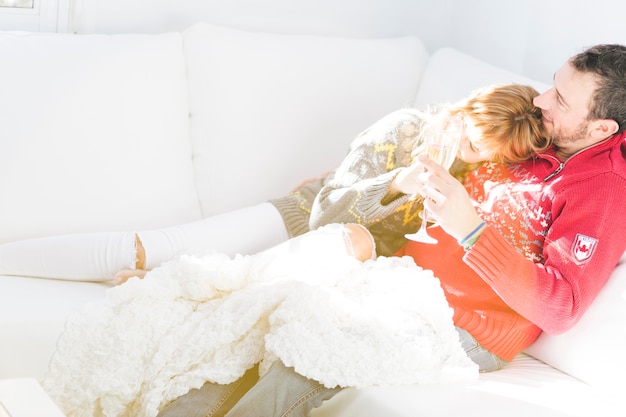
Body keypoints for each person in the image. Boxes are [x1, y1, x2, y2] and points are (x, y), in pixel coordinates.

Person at [153, 43, 626, 417]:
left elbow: (561, 307)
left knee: (304, 360)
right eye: (552, 86)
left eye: (561, 100)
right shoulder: (544, 134)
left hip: (460, 326)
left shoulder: (602, 191)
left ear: (602, 128)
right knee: (252, 331)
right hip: (398, 284)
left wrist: (470, 230)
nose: (542, 100)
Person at [0, 83, 546, 284]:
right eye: (474, 145)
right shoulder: (406, 128)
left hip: (338, 271)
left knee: (176, 278)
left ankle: (176, 291)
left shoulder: (474, 179)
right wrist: (399, 181)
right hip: (297, 219)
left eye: (487, 158)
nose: (472, 161)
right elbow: (325, 212)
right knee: (148, 250)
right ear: (464, 111)